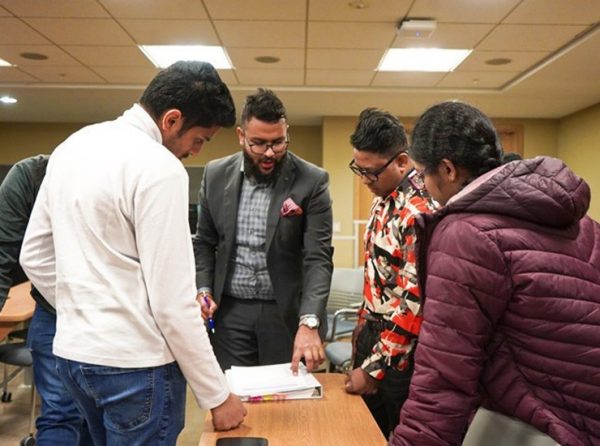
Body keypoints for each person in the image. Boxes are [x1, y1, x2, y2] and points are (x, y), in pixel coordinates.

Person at [20, 61, 247, 446]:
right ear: (172, 120)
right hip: (135, 367)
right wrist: (217, 395)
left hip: (74, 356)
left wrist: (88, 309)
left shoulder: (73, 146)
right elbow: (172, 304)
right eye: (201, 139)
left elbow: (35, 256)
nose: (195, 151)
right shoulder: (161, 168)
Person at [391, 100, 600, 446]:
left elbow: (444, 375)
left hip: (547, 426)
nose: (422, 186)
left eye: (422, 174)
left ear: (447, 170)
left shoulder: (464, 234)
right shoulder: (582, 222)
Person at [193, 88, 334, 374]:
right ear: (241, 136)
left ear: (286, 133)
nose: (270, 153)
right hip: (230, 311)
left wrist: (309, 322)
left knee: (285, 401)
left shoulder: (312, 180)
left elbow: (317, 258)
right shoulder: (215, 174)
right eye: (259, 143)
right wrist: (203, 290)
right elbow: (204, 242)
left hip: (283, 312)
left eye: (278, 143)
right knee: (236, 397)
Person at [345, 108, 436, 438]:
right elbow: (378, 277)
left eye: (371, 173)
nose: (364, 181)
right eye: (359, 170)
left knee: (396, 433)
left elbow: (415, 301)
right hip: (373, 332)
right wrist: (361, 331)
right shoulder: (383, 198)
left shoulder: (419, 212)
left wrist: (374, 368)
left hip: (401, 352)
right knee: (364, 432)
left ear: (401, 161)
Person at [0, 155, 92, 445]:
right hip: (54, 313)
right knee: (61, 414)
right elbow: (3, 252)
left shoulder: (119, 175)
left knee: (95, 417)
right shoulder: (29, 175)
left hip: (111, 315)